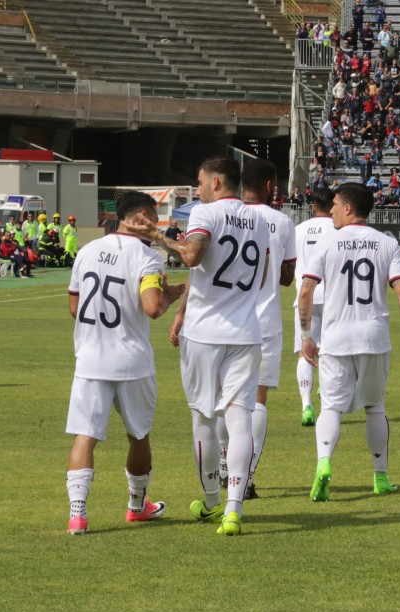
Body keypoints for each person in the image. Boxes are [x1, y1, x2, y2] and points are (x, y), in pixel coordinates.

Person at [125, 157, 271, 536]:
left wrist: (156, 235)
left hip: (206, 332)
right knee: (239, 418)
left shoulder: (207, 214)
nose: (199, 188)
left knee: (203, 416)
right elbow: (266, 273)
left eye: (201, 181)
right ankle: (234, 510)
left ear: (217, 181)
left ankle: (210, 500)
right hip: (246, 331)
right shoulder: (260, 218)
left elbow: (191, 256)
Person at [298, 183, 400, 502]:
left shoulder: (327, 243)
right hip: (373, 337)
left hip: (335, 337)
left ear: (348, 208)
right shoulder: (387, 243)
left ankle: (323, 464)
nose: (330, 209)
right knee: (375, 407)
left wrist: (306, 336)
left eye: (334, 204)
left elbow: (306, 291)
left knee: (331, 407)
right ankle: (381, 477)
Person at [63, 191, 185, 534]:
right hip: (131, 361)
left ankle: (78, 514)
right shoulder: (147, 257)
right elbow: (152, 307)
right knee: (139, 435)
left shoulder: (86, 251)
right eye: (156, 216)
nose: (158, 222)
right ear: (143, 216)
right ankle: (136, 505)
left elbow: (74, 307)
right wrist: (174, 293)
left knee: (85, 437)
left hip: (89, 359)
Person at [211, 160, 297, 499]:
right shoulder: (281, 221)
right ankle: (243, 477)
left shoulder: (221, 216)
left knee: (224, 398)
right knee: (256, 400)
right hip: (264, 321)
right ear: (270, 185)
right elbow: (288, 278)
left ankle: (222, 465)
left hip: (225, 319)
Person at [293, 187, 336, 427]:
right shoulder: (338, 229)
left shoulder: (298, 230)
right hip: (332, 298)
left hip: (304, 297)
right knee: (331, 352)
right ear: (333, 205)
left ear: (312, 206)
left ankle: (306, 406)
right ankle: (327, 398)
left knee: (304, 352)